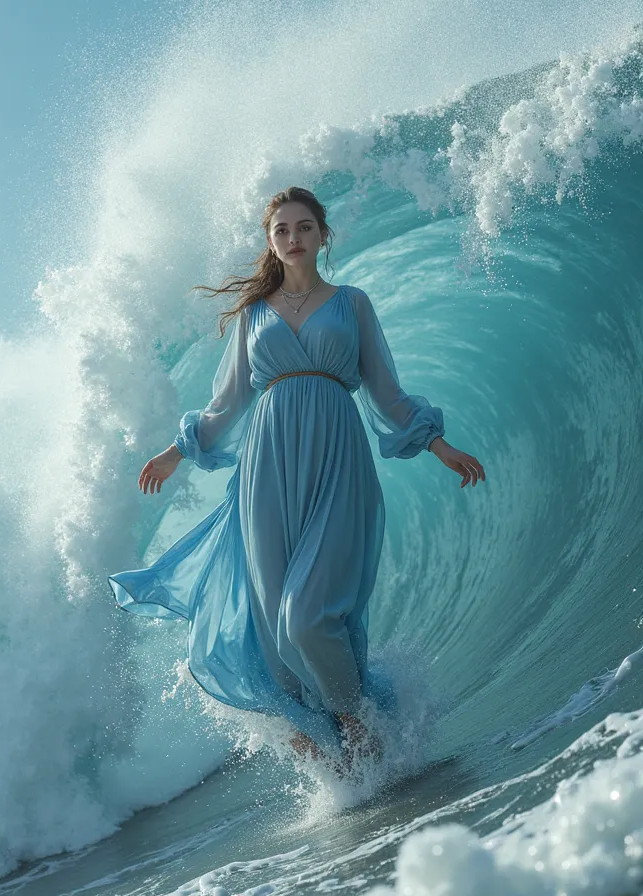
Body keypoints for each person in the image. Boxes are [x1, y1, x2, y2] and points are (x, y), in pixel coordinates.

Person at [109, 186, 485, 768]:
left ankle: (360, 721)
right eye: (281, 229)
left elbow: (385, 391)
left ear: (322, 235)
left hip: (338, 459)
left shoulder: (352, 303)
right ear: (270, 241)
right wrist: (173, 453)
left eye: (304, 227)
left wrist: (437, 444)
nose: (293, 237)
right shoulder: (253, 314)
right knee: (275, 628)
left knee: (308, 615)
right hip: (268, 468)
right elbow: (227, 402)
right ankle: (334, 752)